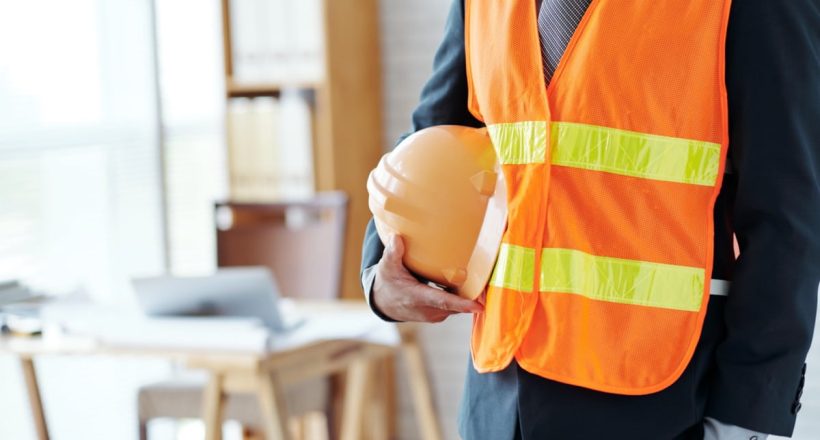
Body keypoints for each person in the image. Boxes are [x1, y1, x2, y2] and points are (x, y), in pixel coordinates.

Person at [361, 1, 820, 438]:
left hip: (662, 404)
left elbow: (789, 214)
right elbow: (434, 136)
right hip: (499, 401)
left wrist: (742, 416)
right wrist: (383, 274)